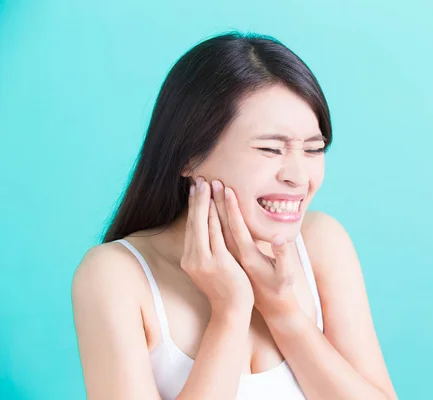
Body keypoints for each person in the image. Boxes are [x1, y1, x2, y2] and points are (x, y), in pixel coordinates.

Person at [71, 31, 397, 400]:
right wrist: (230, 313)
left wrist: (285, 313)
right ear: (188, 156)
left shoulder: (322, 243)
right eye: (271, 148)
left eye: (313, 149)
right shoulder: (116, 275)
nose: (297, 176)